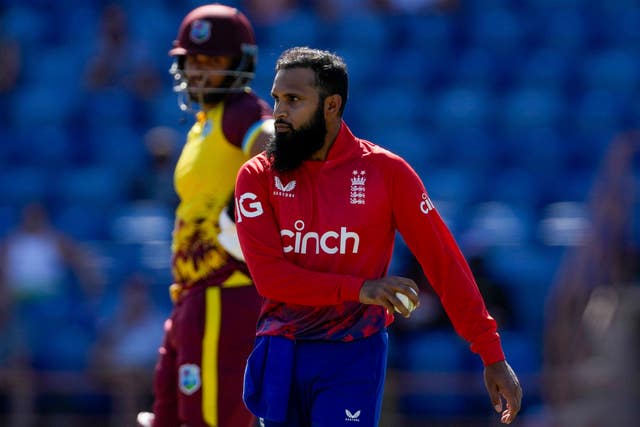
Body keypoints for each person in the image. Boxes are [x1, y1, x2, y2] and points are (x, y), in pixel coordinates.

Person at [234, 47, 522, 426]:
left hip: (353, 353)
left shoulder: (387, 173)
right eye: (276, 99)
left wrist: (491, 352)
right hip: (281, 351)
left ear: (331, 105)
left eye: (293, 99)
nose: (279, 112)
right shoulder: (256, 175)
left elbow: (444, 263)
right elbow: (271, 278)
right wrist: (362, 289)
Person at [136, 4, 273, 427]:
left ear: (239, 64)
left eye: (213, 61)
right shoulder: (204, 121)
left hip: (227, 291)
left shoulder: (242, 113)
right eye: (192, 61)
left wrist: (272, 159)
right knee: (168, 418)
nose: (199, 71)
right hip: (193, 293)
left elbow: (271, 137)